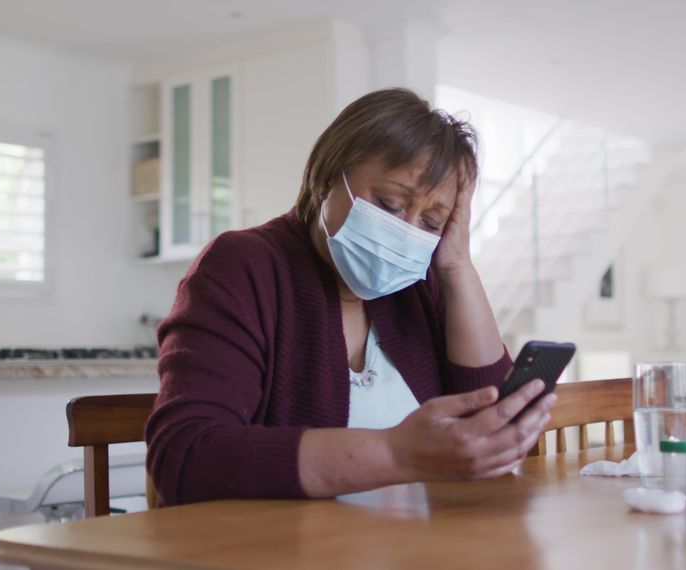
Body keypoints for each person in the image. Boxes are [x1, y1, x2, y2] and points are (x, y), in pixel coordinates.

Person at [146, 88, 558, 506]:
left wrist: (456, 266)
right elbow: (186, 456)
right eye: (391, 204)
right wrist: (397, 453)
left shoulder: (418, 287)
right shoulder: (242, 265)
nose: (407, 231)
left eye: (432, 221)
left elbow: (487, 436)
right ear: (329, 175)